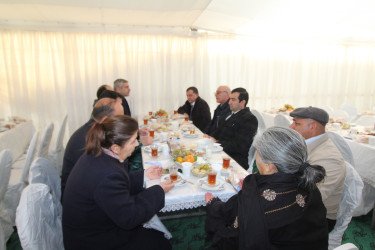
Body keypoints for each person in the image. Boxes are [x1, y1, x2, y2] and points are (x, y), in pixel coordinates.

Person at [205, 127, 328, 249]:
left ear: (269, 166)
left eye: (258, 152)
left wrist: (212, 203)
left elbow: (230, 239)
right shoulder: (310, 186)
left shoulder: (256, 201)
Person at [62, 115, 174, 250]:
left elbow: (117, 186)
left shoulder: (98, 153)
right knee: (159, 243)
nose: (137, 144)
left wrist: (144, 175)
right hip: (92, 241)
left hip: (94, 226)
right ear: (115, 148)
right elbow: (130, 217)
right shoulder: (107, 174)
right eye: (133, 141)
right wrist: (158, 190)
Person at [61, 93, 153, 198]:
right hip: (85, 201)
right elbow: (112, 181)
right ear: (106, 120)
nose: (123, 119)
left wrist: (144, 175)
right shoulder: (90, 140)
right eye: (120, 117)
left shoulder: (96, 131)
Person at [289, 106, 346, 232]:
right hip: (299, 204)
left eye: (296, 123)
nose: (291, 127)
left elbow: (313, 198)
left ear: (313, 126)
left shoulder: (329, 158)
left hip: (316, 217)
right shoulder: (305, 144)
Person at [206, 88, 258, 170]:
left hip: (235, 161)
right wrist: (210, 137)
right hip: (222, 153)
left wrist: (218, 142)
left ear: (243, 102)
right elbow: (219, 131)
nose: (229, 102)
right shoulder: (232, 114)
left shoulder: (249, 119)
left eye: (233, 100)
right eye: (230, 99)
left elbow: (239, 146)